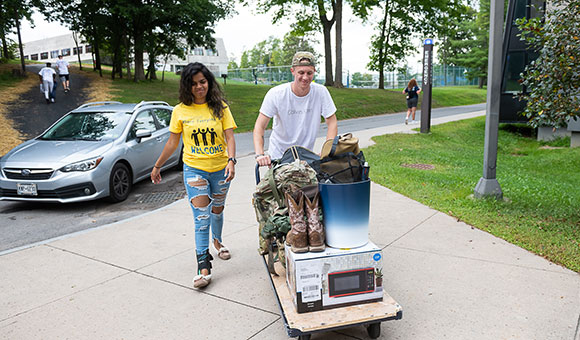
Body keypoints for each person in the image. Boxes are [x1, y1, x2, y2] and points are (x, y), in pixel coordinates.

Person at [150, 62, 237, 289]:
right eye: (194, 83)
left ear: (209, 82)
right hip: (194, 170)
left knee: (217, 209)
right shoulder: (179, 111)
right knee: (201, 218)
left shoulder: (221, 107)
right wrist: (158, 166)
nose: (199, 87)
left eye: (203, 82)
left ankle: (217, 242)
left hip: (220, 169)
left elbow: (229, 138)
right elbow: (172, 143)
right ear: (187, 86)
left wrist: (231, 160)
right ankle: (203, 267)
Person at [253, 51, 338, 166]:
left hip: (305, 157)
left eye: (309, 73)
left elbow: (332, 122)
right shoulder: (276, 94)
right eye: (301, 72)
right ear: (292, 71)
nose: (305, 77)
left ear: (314, 72)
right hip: (279, 157)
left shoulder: (320, 92)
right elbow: (259, 126)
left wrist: (327, 151)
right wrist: (260, 154)